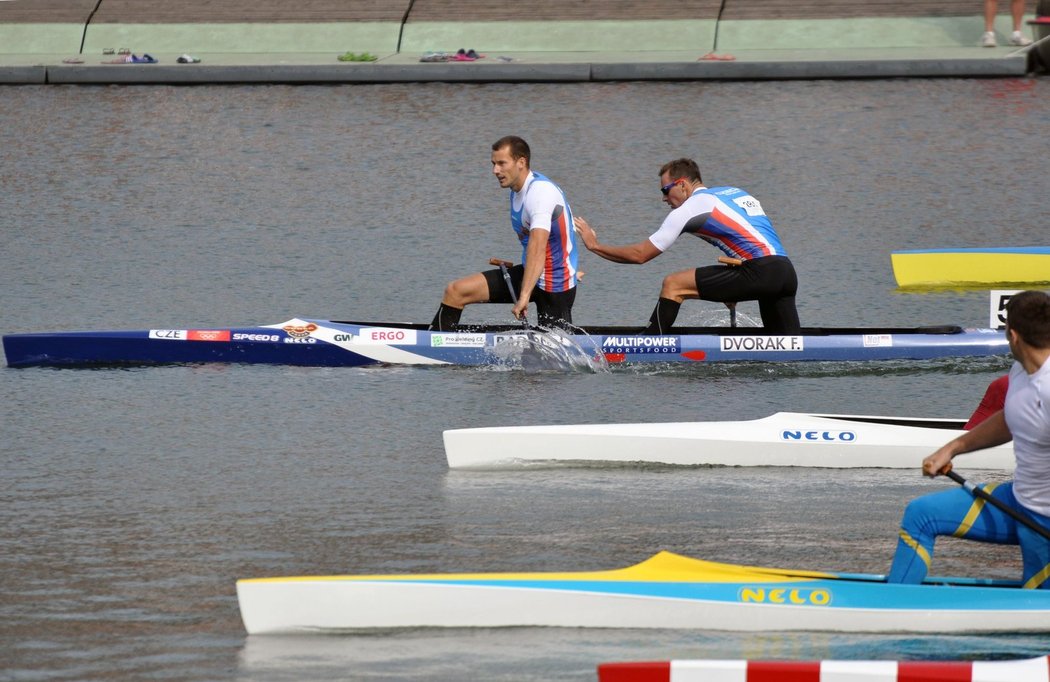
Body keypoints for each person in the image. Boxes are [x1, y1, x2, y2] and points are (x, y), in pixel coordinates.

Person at [887, 290, 1050, 588]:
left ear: (1012, 335)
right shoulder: (1020, 371)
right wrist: (953, 448)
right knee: (921, 515)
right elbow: (1012, 417)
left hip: (1044, 523)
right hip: (1016, 502)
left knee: (1032, 623)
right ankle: (892, 602)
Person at [573, 158, 800, 334]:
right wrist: (735, 281)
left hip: (759, 273)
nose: (664, 198)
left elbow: (641, 255)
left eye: (665, 190)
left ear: (681, 184)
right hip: (785, 274)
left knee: (674, 284)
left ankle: (648, 346)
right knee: (789, 346)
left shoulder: (691, 207)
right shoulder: (736, 193)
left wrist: (595, 246)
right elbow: (755, 238)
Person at [428, 135, 579, 331]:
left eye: (501, 163)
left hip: (555, 282)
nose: (495, 170)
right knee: (456, 291)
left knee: (556, 352)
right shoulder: (516, 191)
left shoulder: (540, 193)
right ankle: (437, 342)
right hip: (530, 273)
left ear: (521, 162)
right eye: (493, 164)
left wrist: (524, 297)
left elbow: (537, 247)